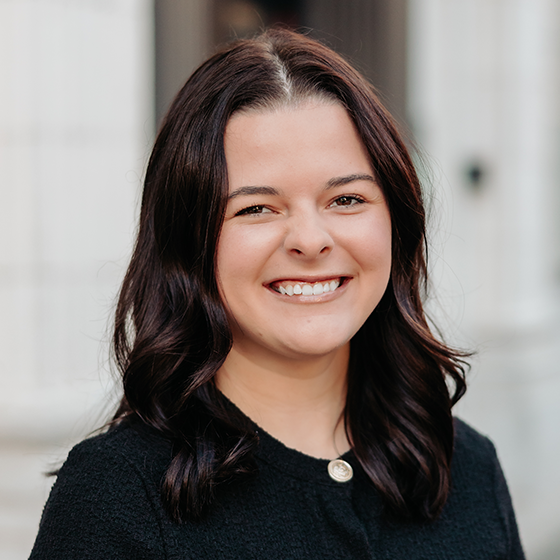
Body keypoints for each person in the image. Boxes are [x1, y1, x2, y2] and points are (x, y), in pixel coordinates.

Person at [29, 28, 525, 559]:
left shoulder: (464, 466)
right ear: (190, 242)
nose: (311, 241)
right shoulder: (120, 495)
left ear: (396, 222)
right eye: (256, 208)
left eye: (347, 198)